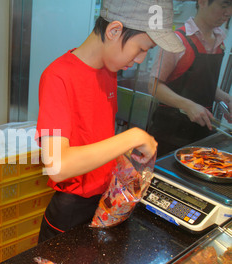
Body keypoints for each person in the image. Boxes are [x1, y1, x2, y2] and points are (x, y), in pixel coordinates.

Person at [35, 0, 184, 242]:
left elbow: (97, 137)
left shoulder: (109, 71)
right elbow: (57, 166)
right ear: (114, 31)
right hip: (72, 213)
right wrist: (131, 137)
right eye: (141, 49)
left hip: (106, 201)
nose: (140, 59)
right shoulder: (58, 76)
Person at [148, 0, 232, 157]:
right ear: (202, 2)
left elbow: (200, 82)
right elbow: (153, 85)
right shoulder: (178, 40)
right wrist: (187, 105)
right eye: (224, 5)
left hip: (200, 133)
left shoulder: (220, 41)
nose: (229, 12)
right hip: (169, 133)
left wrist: (224, 99)